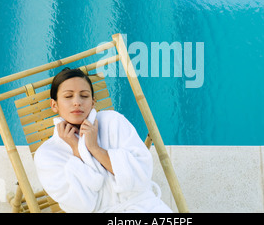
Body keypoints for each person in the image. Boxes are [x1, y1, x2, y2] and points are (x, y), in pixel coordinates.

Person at [34, 67, 172, 213]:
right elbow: (83, 206)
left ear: (93, 102)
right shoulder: (48, 154)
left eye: (84, 96)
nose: (77, 102)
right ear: (54, 105)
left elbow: (141, 175)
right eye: (68, 96)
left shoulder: (113, 121)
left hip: (145, 207)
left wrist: (95, 148)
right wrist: (77, 149)